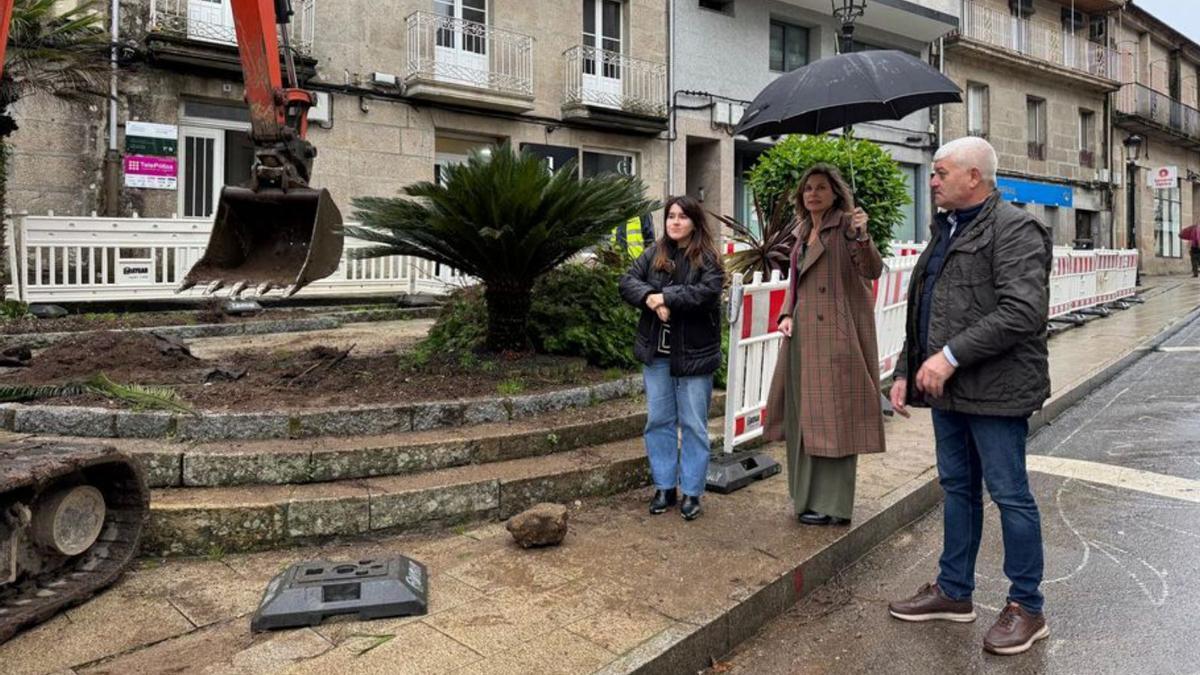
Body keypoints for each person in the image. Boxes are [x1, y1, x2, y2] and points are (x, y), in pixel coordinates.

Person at [886, 137, 1053, 656]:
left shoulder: (1016, 229)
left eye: (940, 172)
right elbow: (927, 309)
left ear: (974, 177)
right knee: (958, 489)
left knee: (1009, 494)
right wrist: (905, 369)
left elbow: (1022, 311)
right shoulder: (945, 230)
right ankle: (954, 592)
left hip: (998, 390)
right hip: (948, 391)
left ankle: (1027, 606)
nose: (931, 181)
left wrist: (950, 356)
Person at [762, 164, 883, 527]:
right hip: (802, 337)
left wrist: (863, 236)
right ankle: (805, 498)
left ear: (836, 193)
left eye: (821, 188)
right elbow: (795, 282)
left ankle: (833, 506)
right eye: (808, 188)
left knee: (834, 422)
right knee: (803, 419)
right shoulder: (803, 230)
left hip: (835, 339)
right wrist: (786, 313)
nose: (813, 193)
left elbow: (872, 270)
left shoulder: (847, 225)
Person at [619, 195, 724, 521]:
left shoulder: (707, 258)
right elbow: (627, 282)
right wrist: (650, 298)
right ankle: (664, 486)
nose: (675, 222)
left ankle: (692, 491)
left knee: (694, 425)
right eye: (671, 216)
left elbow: (706, 294)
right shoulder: (655, 253)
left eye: (682, 216)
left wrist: (665, 296)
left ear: (695, 221)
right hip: (658, 356)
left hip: (694, 356)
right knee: (659, 422)